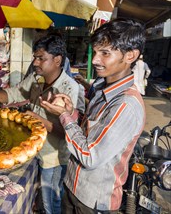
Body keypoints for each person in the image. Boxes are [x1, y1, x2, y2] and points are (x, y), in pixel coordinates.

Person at [40, 18, 146, 213]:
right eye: (96, 52)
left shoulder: (126, 105)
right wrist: (72, 113)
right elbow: (89, 131)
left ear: (130, 55)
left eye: (105, 53)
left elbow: (90, 155)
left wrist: (64, 116)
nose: (95, 60)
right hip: (73, 187)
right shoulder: (101, 87)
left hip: (92, 202)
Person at [0, 35, 85, 214]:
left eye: (41, 58)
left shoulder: (70, 89)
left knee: (51, 203)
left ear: (57, 60)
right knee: (38, 198)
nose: (35, 62)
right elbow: (15, 93)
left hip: (53, 158)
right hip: (33, 152)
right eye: (35, 57)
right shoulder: (37, 78)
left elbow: (67, 132)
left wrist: (35, 118)